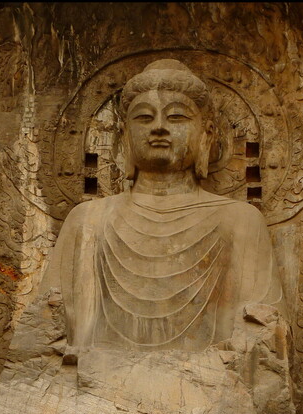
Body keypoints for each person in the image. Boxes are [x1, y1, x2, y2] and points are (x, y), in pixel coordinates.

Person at [33, 58, 284, 361]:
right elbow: (46, 332)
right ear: (124, 136)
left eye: (177, 117)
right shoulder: (88, 219)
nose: (160, 128)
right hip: (93, 391)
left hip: (210, 391)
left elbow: (263, 338)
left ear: (207, 136)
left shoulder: (240, 221)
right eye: (144, 118)